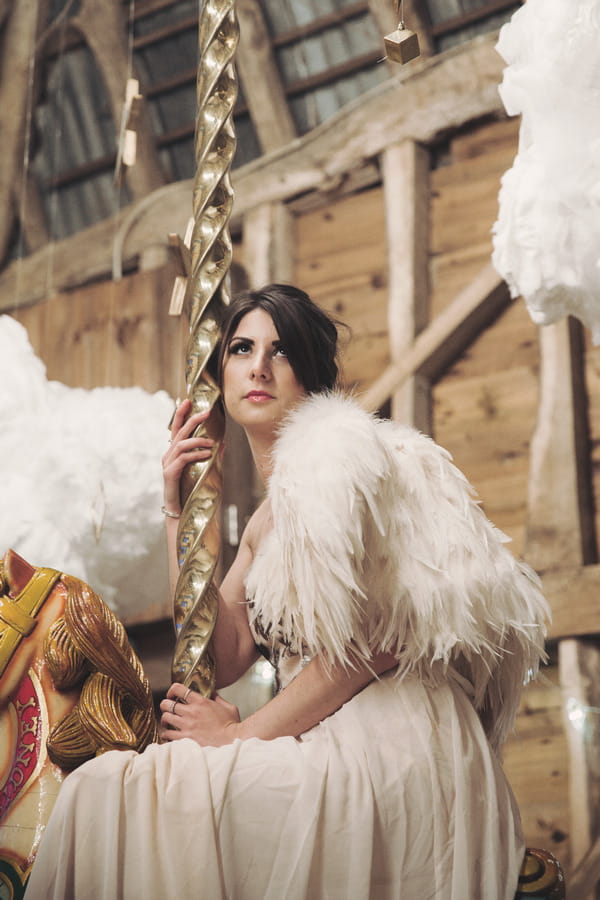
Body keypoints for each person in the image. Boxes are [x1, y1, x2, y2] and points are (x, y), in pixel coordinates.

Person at [25, 283, 549, 900]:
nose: (259, 366)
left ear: (312, 376)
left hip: (395, 742)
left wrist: (240, 735)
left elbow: (374, 645)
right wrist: (181, 507)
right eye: (242, 347)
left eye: (282, 351)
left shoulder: (353, 459)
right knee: (103, 787)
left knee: (126, 791)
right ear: (221, 374)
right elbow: (221, 657)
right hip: (318, 730)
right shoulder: (265, 522)